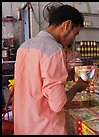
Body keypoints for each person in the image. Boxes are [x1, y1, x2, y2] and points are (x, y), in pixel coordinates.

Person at [14, 5, 90, 135]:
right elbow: (58, 104)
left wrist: (65, 75)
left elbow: (35, 82)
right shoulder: (54, 49)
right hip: (46, 128)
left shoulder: (24, 46)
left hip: (24, 126)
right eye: (75, 33)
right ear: (67, 25)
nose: (73, 39)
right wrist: (78, 87)